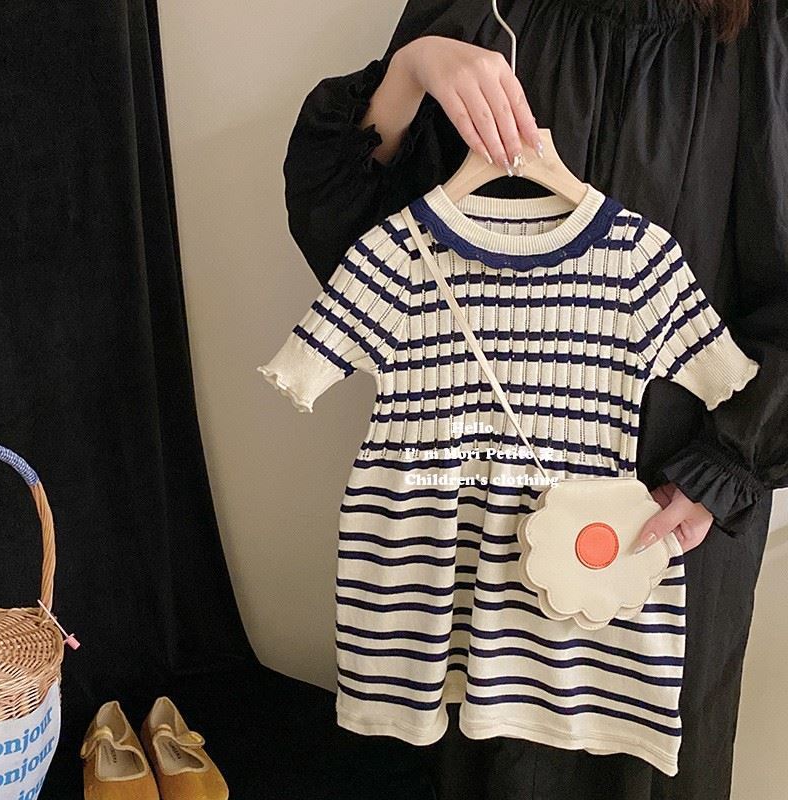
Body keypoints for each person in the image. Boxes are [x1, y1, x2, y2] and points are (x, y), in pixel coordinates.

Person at [280, 1, 788, 798]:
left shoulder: (765, 36)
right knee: (490, 756)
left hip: (673, 511)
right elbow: (371, 256)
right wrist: (411, 70)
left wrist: (722, 469)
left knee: (645, 758)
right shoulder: (484, 8)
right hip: (478, 517)